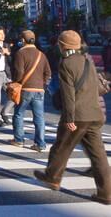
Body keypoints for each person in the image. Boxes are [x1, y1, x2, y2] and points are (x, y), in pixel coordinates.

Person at [33, 30, 111, 205]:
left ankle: (52, 177)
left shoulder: (66, 63)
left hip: (78, 115)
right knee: (99, 155)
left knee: (62, 146)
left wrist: (69, 119)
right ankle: (106, 193)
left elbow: (69, 95)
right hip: (94, 114)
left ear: (63, 46)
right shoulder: (87, 61)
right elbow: (96, 88)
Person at [11, 30, 52, 152]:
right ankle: (40, 143)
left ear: (23, 40)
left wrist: (16, 82)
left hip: (25, 88)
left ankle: (19, 140)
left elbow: (19, 72)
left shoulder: (20, 53)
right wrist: (43, 85)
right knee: (39, 117)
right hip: (39, 89)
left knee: (19, 114)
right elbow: (48, 73)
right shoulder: (41, 54)